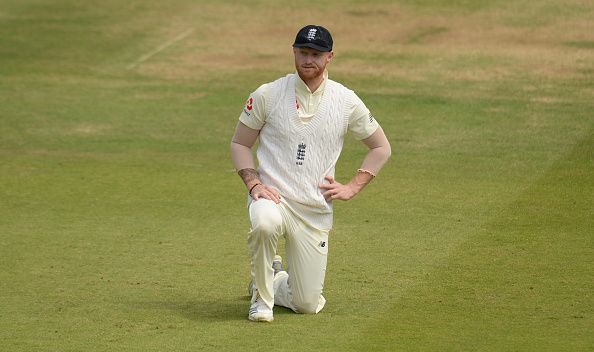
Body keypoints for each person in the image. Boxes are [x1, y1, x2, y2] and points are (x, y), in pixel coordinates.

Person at [230, 24, 391, 322]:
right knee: (264, 222)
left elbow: (381, 147)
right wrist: (253, 184)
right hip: (273, 198)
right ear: (294, 52)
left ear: (329, 57)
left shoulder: (346, 101)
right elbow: (240, 143)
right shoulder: (268, 94)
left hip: (314, 210)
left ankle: (272, 280)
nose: (308, 59)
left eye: (316, 54)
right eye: (303, 52)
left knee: (306, 303)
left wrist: (353, 187)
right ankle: (261, 302)